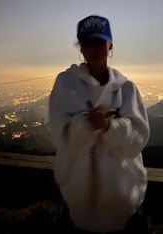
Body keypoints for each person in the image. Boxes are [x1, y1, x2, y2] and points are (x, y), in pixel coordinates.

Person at [49, 15, 150, 233]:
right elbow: (60, 136)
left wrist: (109, 127)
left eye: (99, 42)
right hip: (78, 199)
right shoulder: (66, 84)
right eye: (87, 43)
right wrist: (85, 125)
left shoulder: (127, 89)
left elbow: (137, 141)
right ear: (80, 48)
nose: (93, 48)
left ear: (110, 44)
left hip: (123, 197)